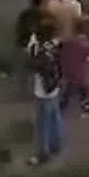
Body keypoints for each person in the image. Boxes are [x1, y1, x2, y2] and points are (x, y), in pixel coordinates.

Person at [27, 28, 63, 165]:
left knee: (42, 124)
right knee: (55, 118)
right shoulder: (54, 46)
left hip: (43, 92)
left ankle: (44, 153)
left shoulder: (40, 51)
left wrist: (32, 47)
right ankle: (56, 145)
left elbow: (33, 64)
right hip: (54, 88)